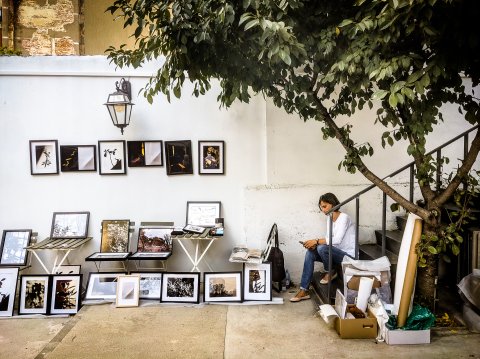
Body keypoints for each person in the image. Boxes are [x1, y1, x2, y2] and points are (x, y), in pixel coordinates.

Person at [290, 192, 355, 302]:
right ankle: (304, 290)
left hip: (347, 255)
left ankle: (330, 271)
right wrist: (314, 245)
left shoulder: (344, 217)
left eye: (325, 206)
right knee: (311, 253)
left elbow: (337, 240)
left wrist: (316, 241)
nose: (323, 210)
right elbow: (328, 240)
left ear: (333, 204)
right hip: (334, 253)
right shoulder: (330, 218)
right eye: (321, 207)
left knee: (322, 248)